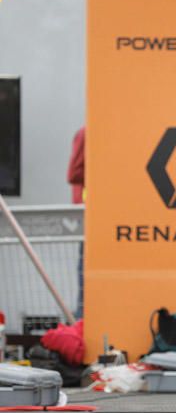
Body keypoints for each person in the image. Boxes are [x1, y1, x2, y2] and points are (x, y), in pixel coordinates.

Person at [67, 126, 85, 319]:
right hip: (88, 214)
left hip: (93, 214)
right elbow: (73, 174)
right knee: (85, 268)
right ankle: (82, 316)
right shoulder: (87, 133)